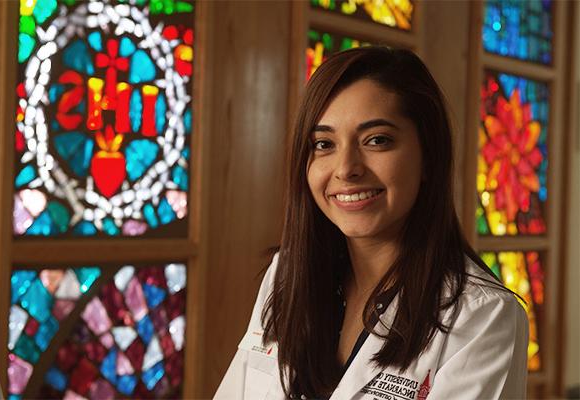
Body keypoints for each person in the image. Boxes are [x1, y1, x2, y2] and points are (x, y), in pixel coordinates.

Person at [214, 47, 529, 400]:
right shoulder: (287, 274)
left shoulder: (482, 317)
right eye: (324, 143)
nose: (346, 167)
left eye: (376, 140)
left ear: (429, 157)